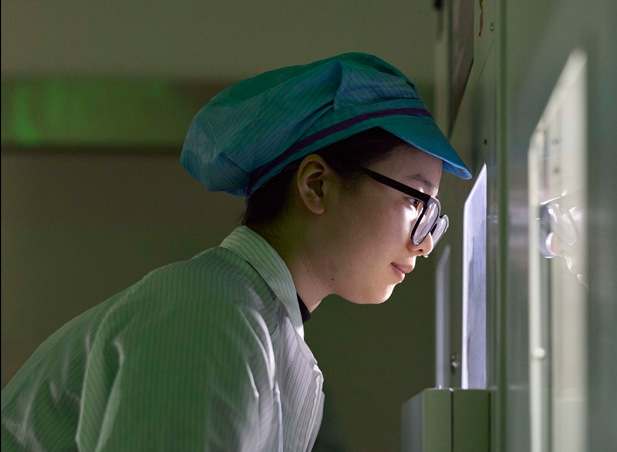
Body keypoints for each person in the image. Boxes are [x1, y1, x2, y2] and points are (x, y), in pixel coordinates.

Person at [0, 53, 472, 452]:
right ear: (316, 185)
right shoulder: (208, 313)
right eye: (417, 200)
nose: (427, 241)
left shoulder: (262, 327)